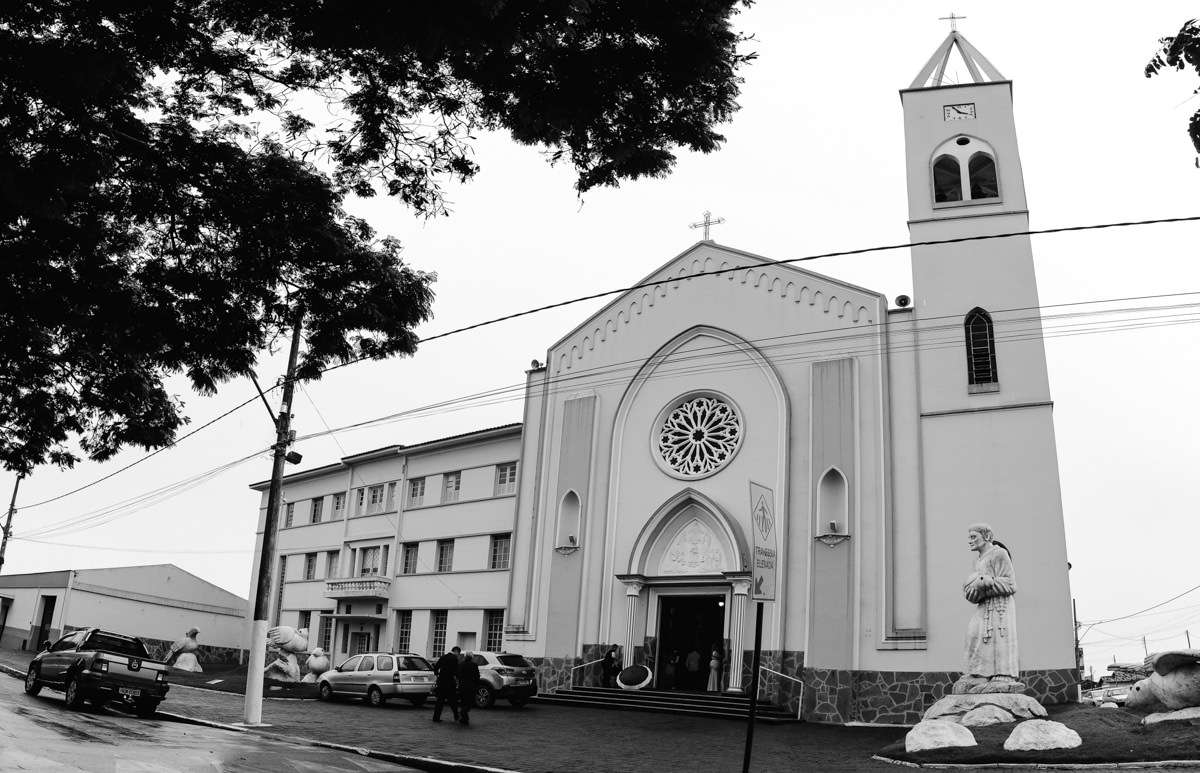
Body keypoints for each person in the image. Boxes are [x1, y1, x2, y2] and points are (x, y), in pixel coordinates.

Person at [962, 523, 1019, 683]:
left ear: (986, 536)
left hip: (1001, 606)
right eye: (969, 537)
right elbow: (977, 587)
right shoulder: (978, 561)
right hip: (985, 605)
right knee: (973, 634)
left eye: (974, 537)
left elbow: (1011, 584)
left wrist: (987, 583)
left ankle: (1004, 675)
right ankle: (979, 673)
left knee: (1001, 640)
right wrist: (973, 592)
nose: (970, 541)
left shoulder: (999, 554)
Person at [432, 646, 461, 722]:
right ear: (456, 651)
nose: (458, 655)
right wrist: (458, 678)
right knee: (453, 701)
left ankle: (436, 717)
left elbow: (436, 667)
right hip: (450, 682)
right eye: (458, 654)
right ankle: (456, 716)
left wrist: (438, 674)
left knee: (440, 701)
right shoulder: (454, 659)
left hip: (441, 682)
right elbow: (456, 671)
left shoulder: (443, 657)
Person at [457, 650, 481, 726]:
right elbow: (477, 676)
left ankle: (464, 717)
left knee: (463, 701)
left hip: (463, 685)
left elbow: (458, 675)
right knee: (469, 702)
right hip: (471, 686)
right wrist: (476, 684)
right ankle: (464, 714)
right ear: (471, 658)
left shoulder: (461, 664)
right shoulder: (474, 665)